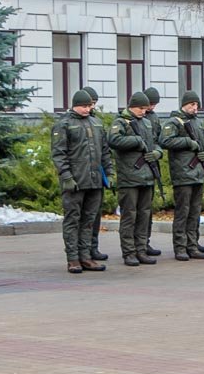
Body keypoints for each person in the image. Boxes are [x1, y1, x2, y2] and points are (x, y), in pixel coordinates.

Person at [51, 88, 112, 274]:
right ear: (75, 105)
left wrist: (109, 174)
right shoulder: (64, 125)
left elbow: (105, 152)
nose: (88, 109)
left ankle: (86, 257)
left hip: (94, 181)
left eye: (89, 105)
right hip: (75, 181)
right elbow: (59, 154)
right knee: (73, 220)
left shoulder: (97, 123)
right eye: (84, 106)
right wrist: (67, 177)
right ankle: (73, 258)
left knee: (89, 220)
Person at [107, 92, 160, 266]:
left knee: (144, 215)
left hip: (147, 176)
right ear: (132, 106)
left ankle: (141, 249)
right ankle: (129, 252)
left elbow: (157, 141)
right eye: (140, 108)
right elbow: (113, 140)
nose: (144, 111)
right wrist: (136, 141)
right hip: (129, 176)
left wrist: (157, 152)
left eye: (146, 108)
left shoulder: (146, 122)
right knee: (129, 216)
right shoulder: (121, 122)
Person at [159, 91, 204, 261]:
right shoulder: (174, 122)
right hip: (183, 173)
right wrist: (187, 142)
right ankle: (180, 247)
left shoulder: (197, 122)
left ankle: (192, 244)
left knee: (195, 212)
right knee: (183, 212)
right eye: (191, 105)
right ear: (183, 105)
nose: (194, 108)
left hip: (197, 173)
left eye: (196, 105)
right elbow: (165, 141)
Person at [79, 85, 109, 261]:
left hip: (98, 174)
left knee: (95, 214)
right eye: (90, 103)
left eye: (95, 104)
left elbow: (104, 148)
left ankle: (93, 246)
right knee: (83, 215)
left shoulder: (96, 121)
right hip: (82, 176)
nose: (92, 107)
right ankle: (82, 250)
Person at [142, 87, 165, 256]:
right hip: (138, 168)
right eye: (150, 104)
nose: (151, 108)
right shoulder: (134, 118)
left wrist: (158, 151)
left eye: (154, 105)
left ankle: (145, 241)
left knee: (147, 211)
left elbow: (159, 139)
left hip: (152, 166)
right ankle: (137, 245)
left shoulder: (154, 118)